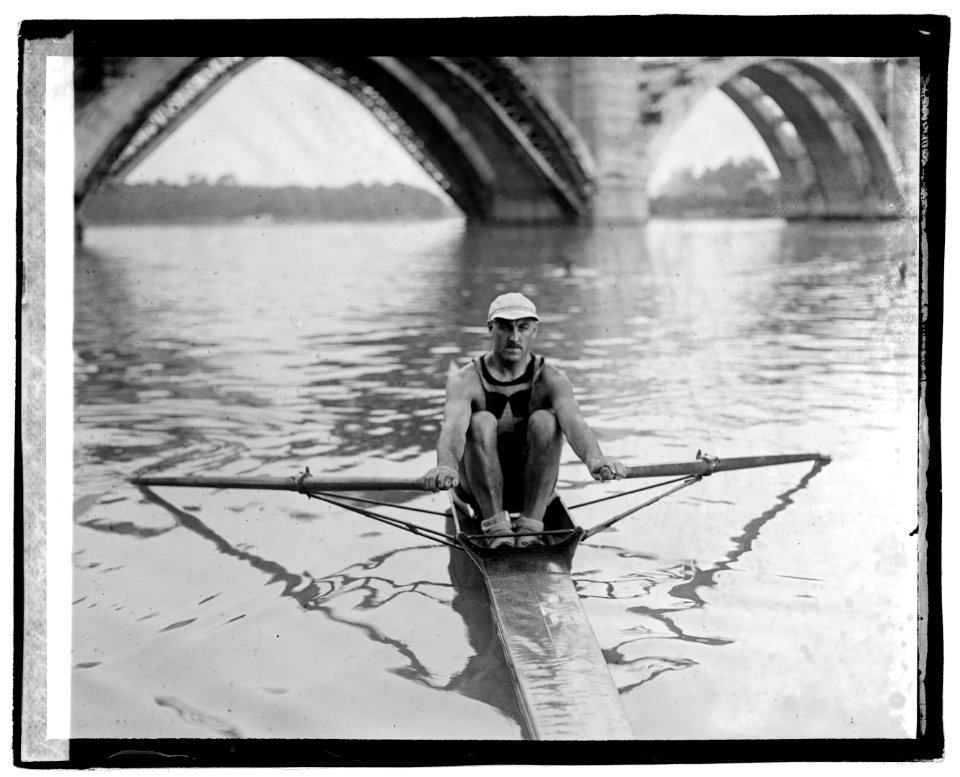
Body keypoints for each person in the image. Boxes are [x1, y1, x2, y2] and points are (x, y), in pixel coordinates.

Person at [420, 292, 626, 549]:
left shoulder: (553, 378)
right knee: (480, 421)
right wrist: (446, 466)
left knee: (546, 421)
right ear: (490, 328)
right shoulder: (464, 380)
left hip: (529, 490)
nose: (514, 337)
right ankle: (495, 527)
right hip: (476, 490)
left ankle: (530, 526)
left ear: (534, 330)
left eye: (523, 328)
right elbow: (452, 429)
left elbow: (575, 425)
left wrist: (596, 459)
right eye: (505, 327)